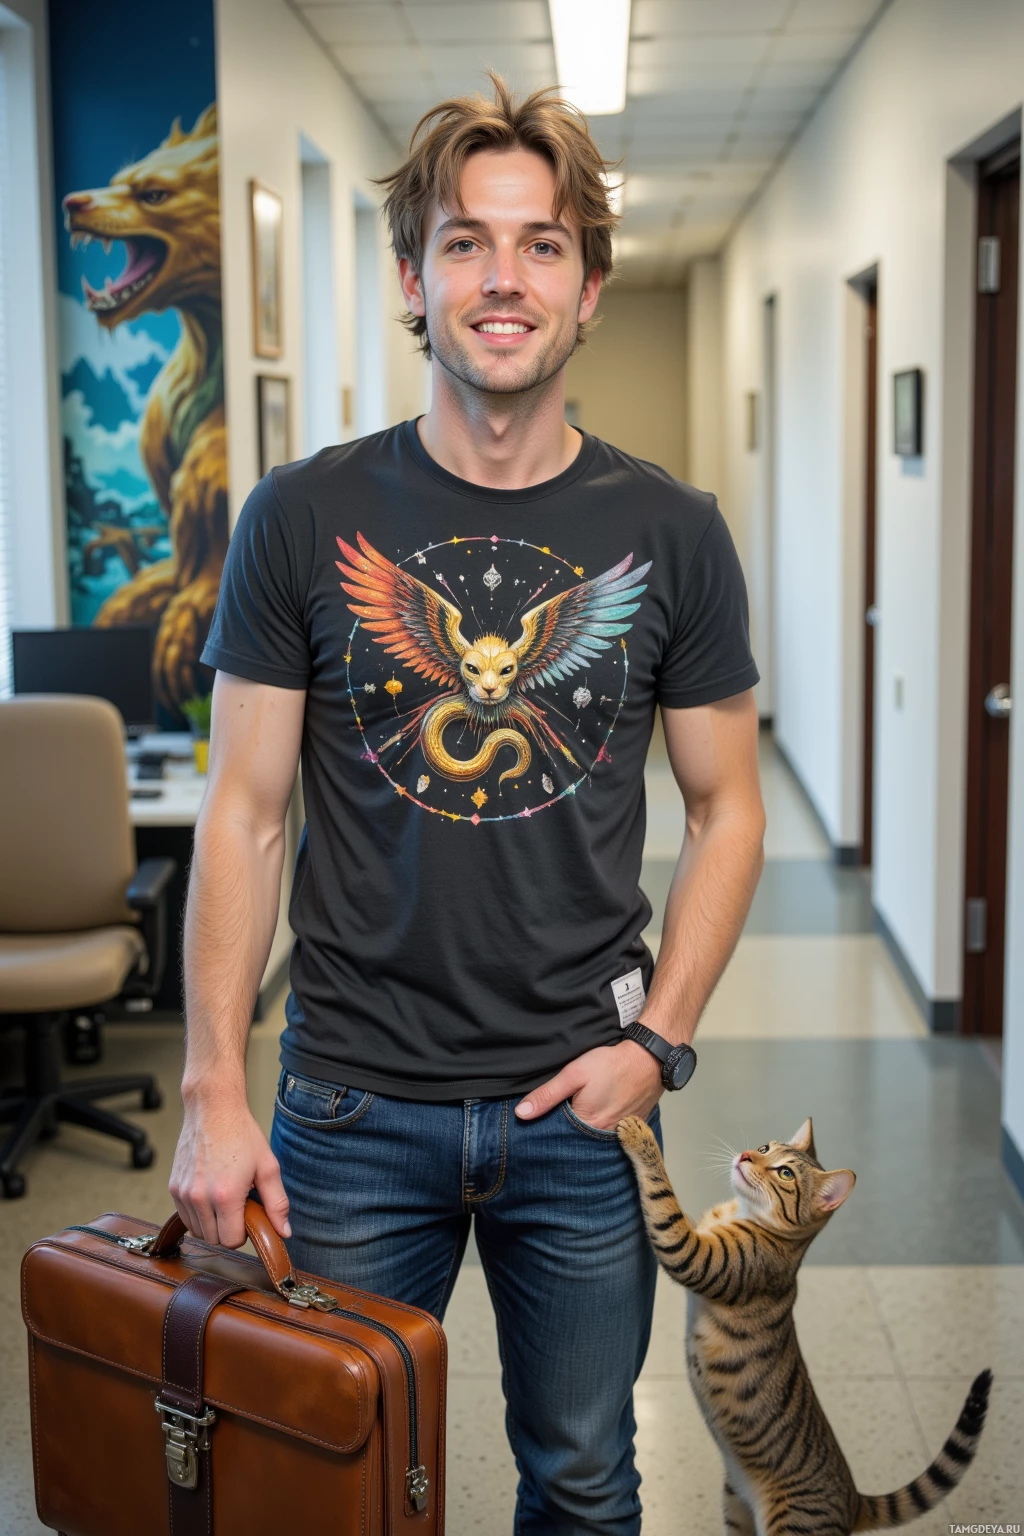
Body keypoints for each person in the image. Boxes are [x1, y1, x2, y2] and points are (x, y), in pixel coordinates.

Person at [170, 75, 766, 1536]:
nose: (504, 277)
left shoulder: (672, 534)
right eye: (466, 242)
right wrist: (213, 1094)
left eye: (542, 243)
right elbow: (244, 813)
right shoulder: (303, 518)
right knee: (328, 1477)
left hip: (583, 1108)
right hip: (349, 1102)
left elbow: (730, 805)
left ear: (591, 289)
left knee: (586, 1477)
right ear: (413, 281)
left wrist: (660, 1045)